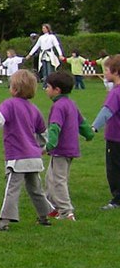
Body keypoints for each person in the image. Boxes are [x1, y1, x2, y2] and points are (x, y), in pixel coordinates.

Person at [0, 70, 52, 230]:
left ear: (15, 89)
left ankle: (3, 222)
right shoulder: (34, 109)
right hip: (34, 158)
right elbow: (43, 133)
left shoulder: (9, 104)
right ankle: (45, 216)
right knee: (36, 189)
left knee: (12, 189)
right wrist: (42, 148)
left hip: (18, 157)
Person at [43, 71, 92, 221]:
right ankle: (51, 207)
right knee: (50, 178)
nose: (45, 89)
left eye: (48, 86)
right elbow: (82, 123)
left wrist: (49, 145)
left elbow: (55, 127)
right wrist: (89, 134)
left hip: (61, 150)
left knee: (58, 180)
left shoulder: (58, 106)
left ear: (57, 90)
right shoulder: (71, 104)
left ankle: (66, 212)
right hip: (70, 148)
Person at [93, 56, 120, 210]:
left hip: (116, 138)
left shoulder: (115, 93)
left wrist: (94, 127)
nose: (104, 73)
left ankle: (117, 200)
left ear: (115, 72)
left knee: (114, 169)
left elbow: (106, 112)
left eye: (106, 70)